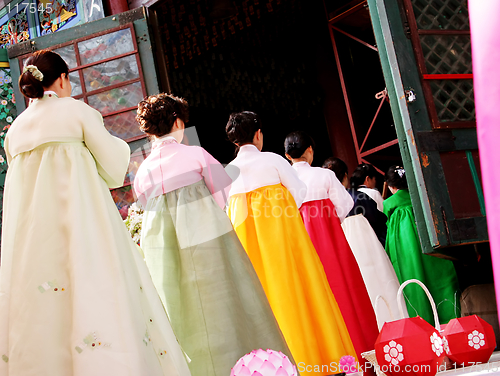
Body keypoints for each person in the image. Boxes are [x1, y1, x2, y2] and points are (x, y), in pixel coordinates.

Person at [0, 50, 190, 376]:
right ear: (61, 79)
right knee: (96, 288)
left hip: (35, 238)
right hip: (83, 223)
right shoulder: (76, 112)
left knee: (46, 305)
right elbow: (116, 168)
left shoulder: (15, 131)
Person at [133, 95, 291, 376]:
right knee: (230, 301)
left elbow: (146, 208)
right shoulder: (195, 154)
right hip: (211, 243)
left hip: (166, 254)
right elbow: (223, 196)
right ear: (178, 122)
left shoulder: (142, 171)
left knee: (180, 310)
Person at [224, 112, 357, 376]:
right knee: (305, 291)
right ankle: (326, 361)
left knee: (268, 301)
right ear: (258, 134)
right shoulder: (272, 160)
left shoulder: (228, 172)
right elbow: (298, 192)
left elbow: (227, 210)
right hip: (285, 239)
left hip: (251, 250)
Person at [284, 131, 379, 363]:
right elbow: (345, 206)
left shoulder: (283, 180)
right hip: (332, 242)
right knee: (346, 291)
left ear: (287, 155)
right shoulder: (324, 175)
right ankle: (362, 354)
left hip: (303, 247)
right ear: (310, 151)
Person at [323, 157, 404, 328]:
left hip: (342, 257)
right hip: (369, 251)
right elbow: (380, 223)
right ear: (345, 176)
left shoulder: (323, 206)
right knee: (381, 287)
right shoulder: (359, 198)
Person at [384, 165, 460, 325]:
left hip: (406, 248)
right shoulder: (422, 197)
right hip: (431, 244)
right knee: (439, 277)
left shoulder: (390, 205)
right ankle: (451, 323)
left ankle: (424, 325)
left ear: (391, 187)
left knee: (414, 282)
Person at [348, 163, 387, 245]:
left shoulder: (350, 195)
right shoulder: (373, 193)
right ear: (368, 179)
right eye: (374, 179)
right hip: (377, 235)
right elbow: (384, 213)